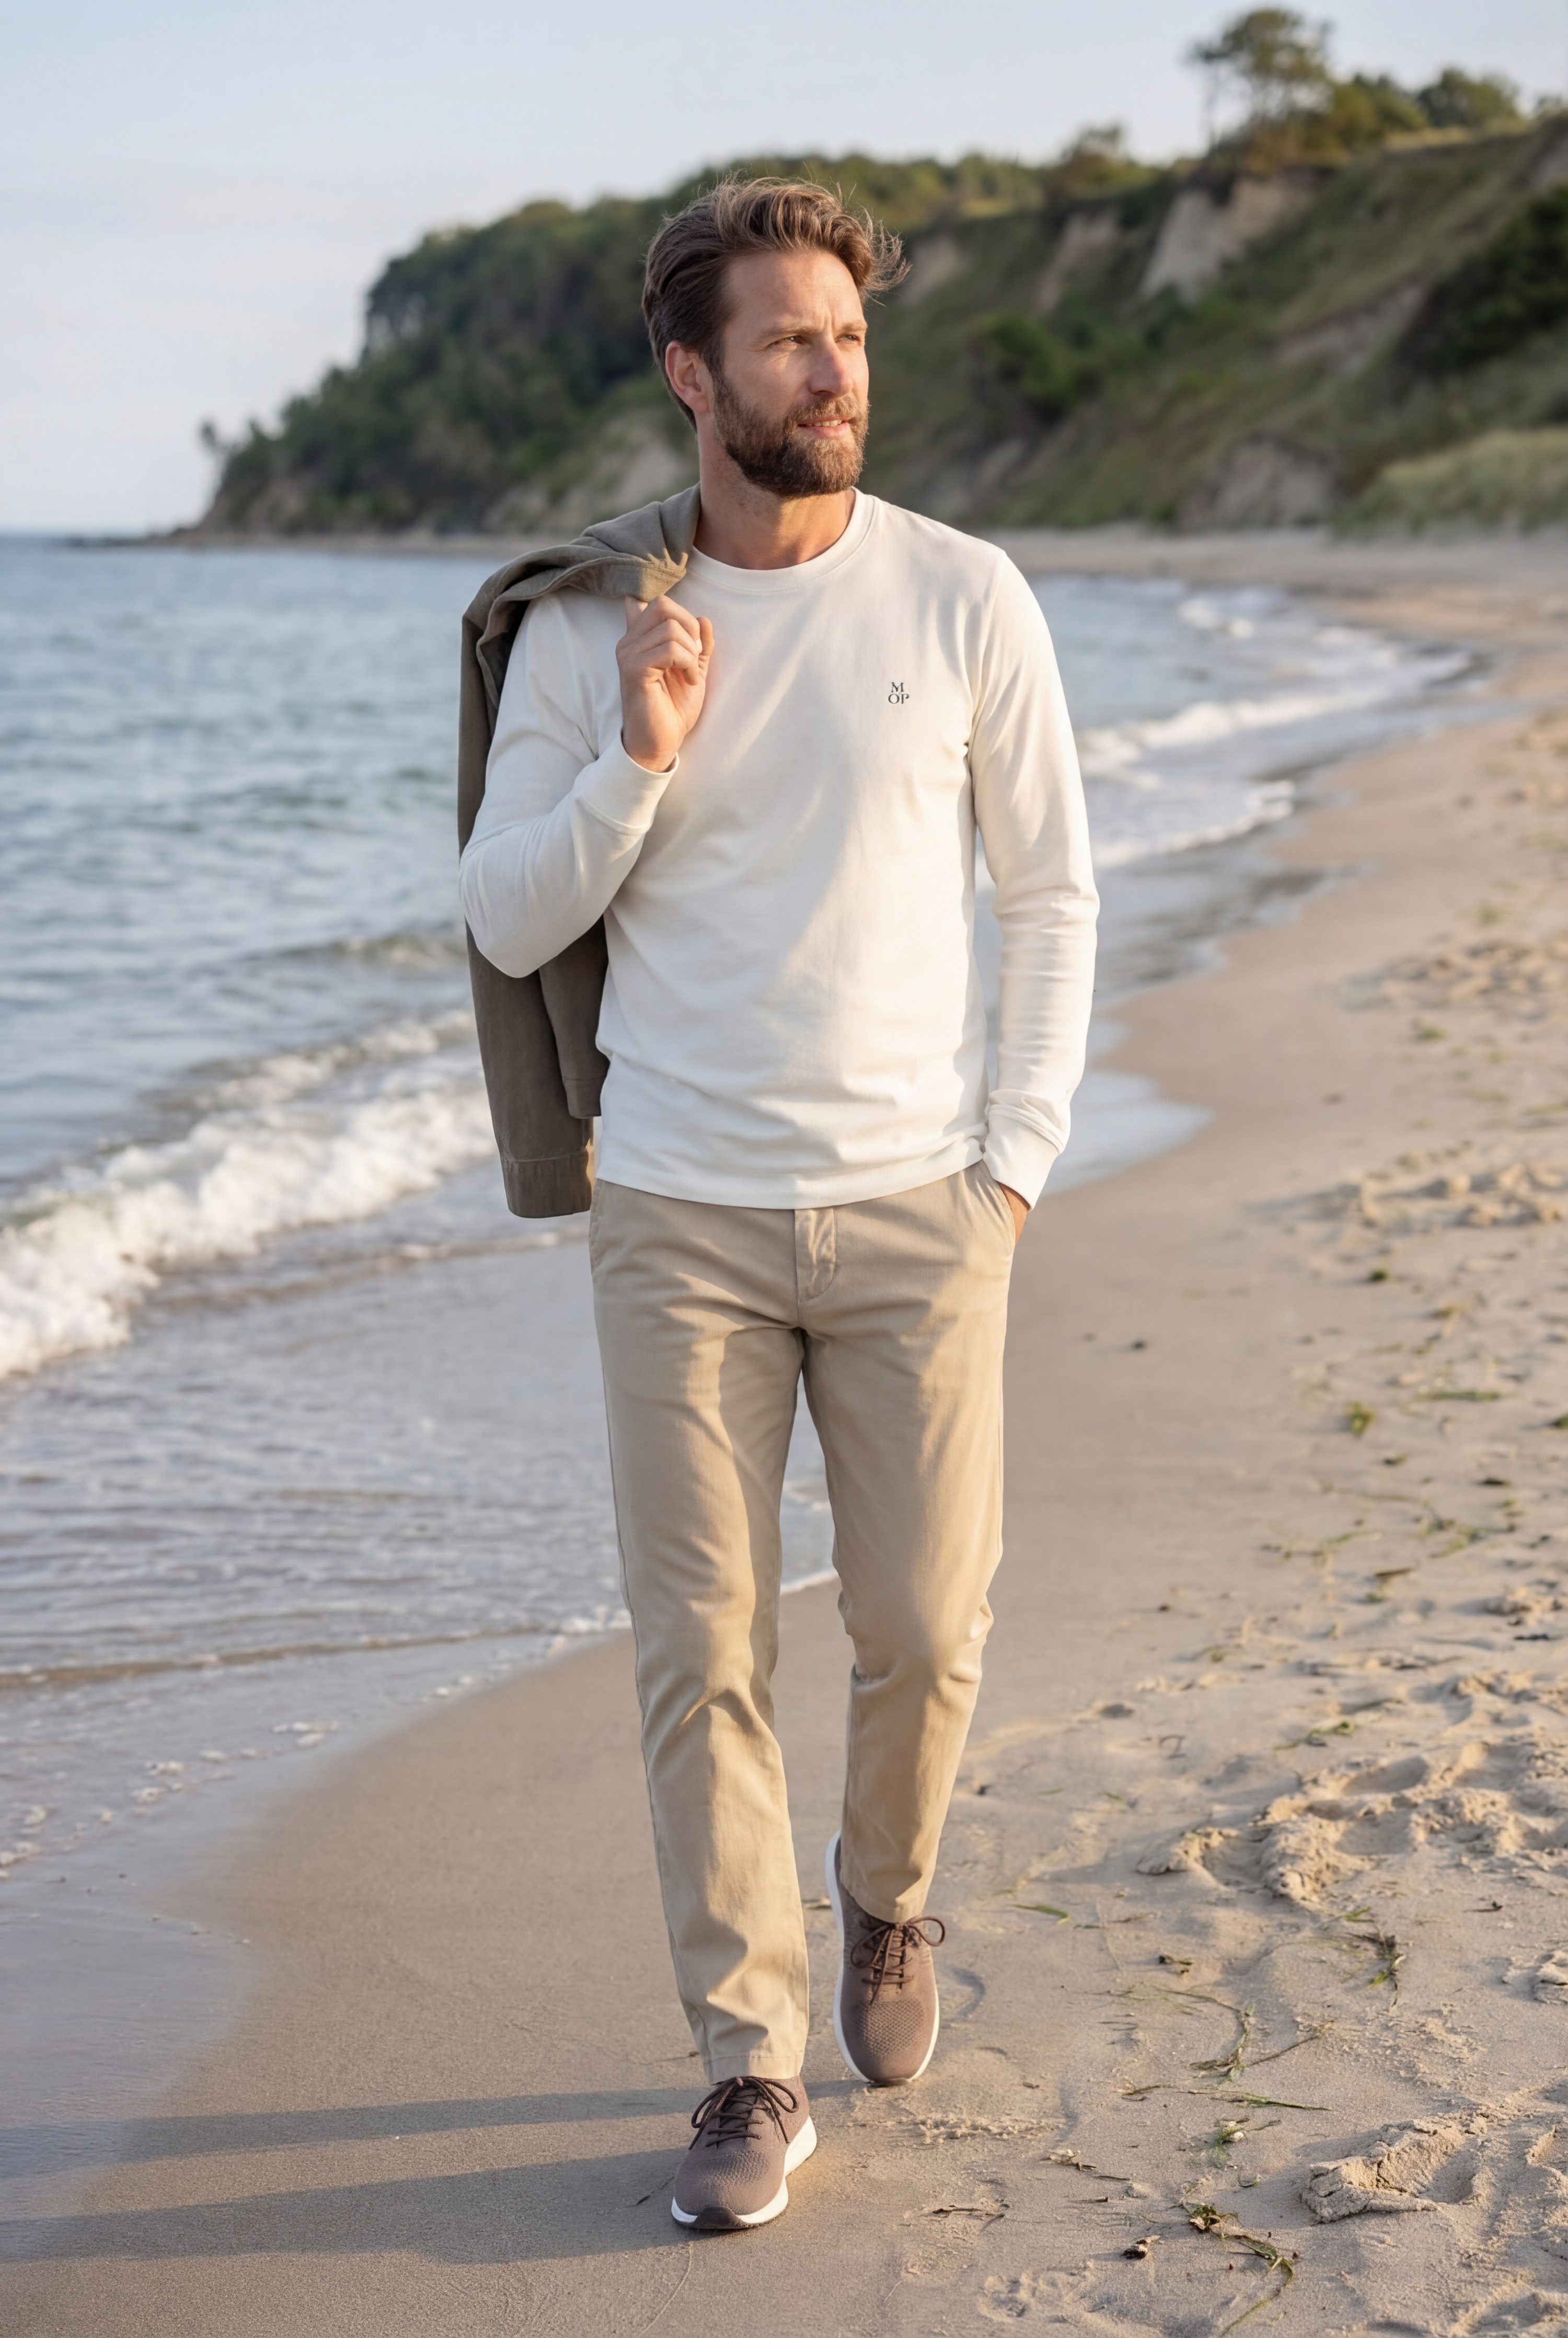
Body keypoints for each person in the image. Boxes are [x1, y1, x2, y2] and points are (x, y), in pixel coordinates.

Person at [459, 178, 1098, 2232]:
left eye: (851, 336)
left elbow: (1051, 895)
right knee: (702, 1648)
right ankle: (747, 2056)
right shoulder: (593, 627)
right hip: (680, 1214)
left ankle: (888, 1898)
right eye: (792, 340)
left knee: (923, 1621)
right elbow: (504, 912)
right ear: (692, 373)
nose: (837, 373)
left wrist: (1013, 1162)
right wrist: (638, 759)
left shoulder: (965, 595)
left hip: (922, 1206)